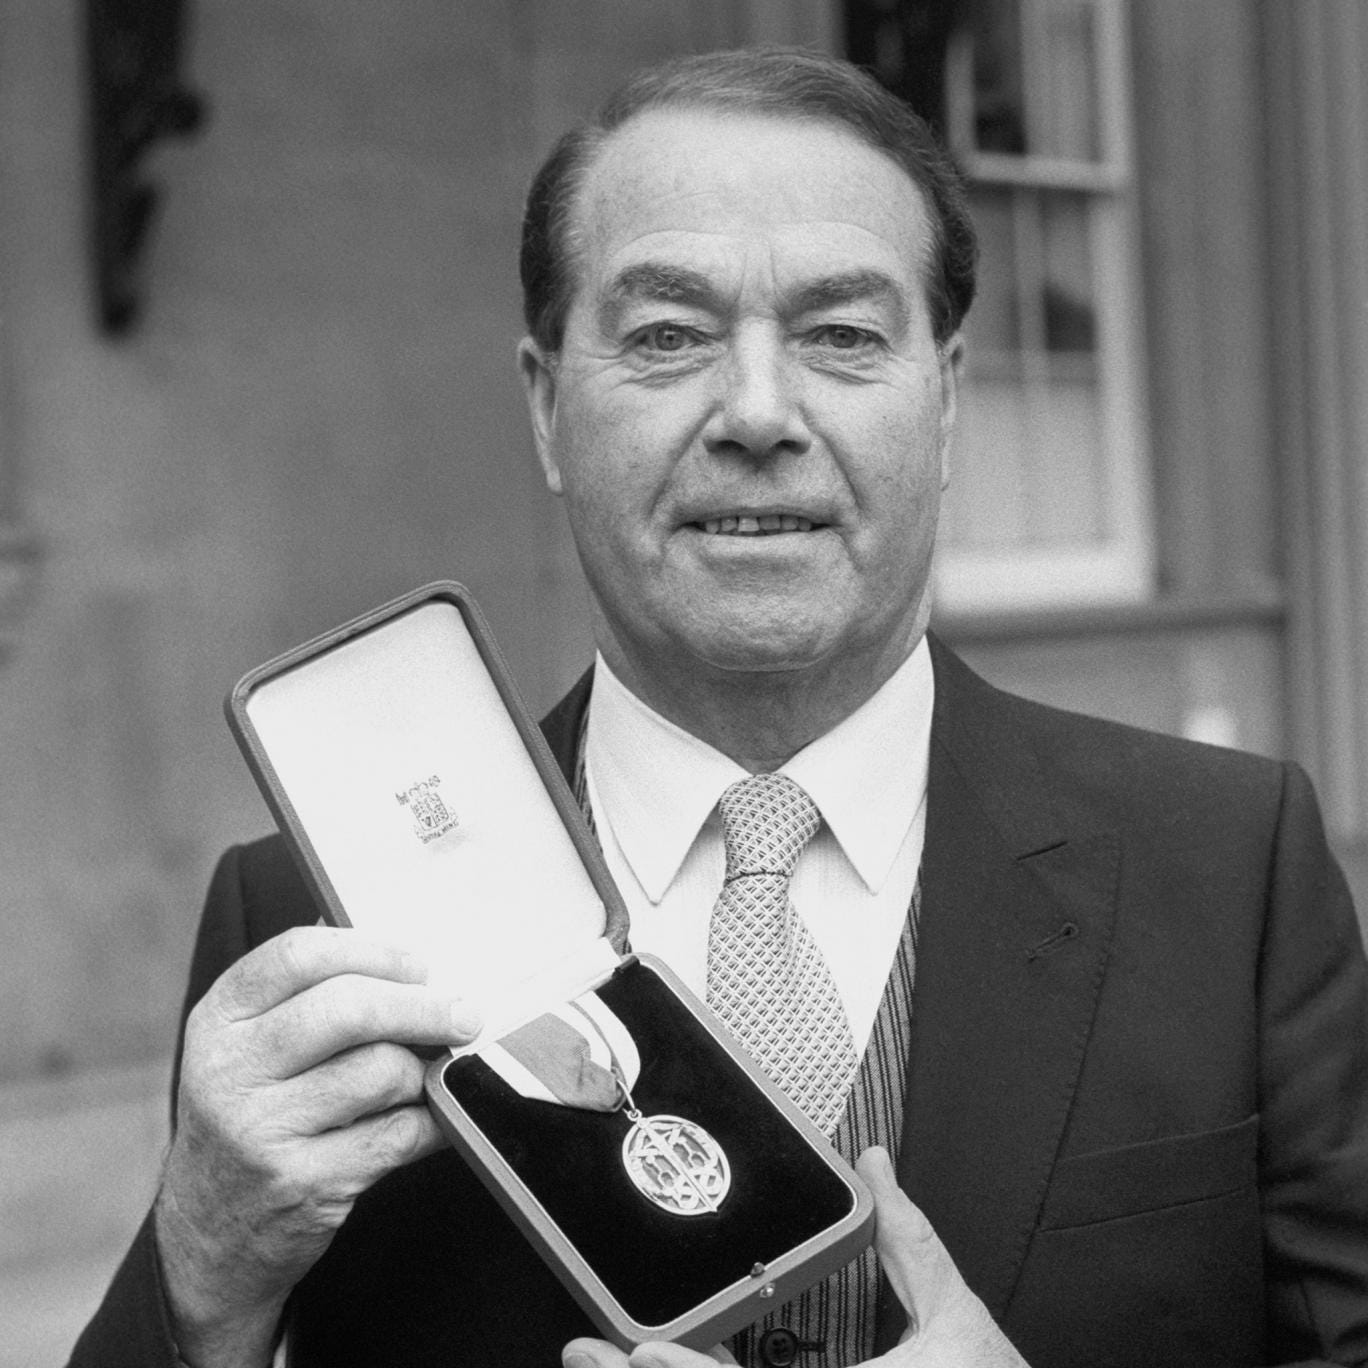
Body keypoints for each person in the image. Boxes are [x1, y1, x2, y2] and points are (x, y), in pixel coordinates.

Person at [70, 46, 1368, 1368]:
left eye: (843, 335)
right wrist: (203, 1268)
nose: (756, 412)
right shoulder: (312, 928)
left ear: (950, 393)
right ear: (546, 407)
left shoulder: (1228, 871)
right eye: (669, 336)